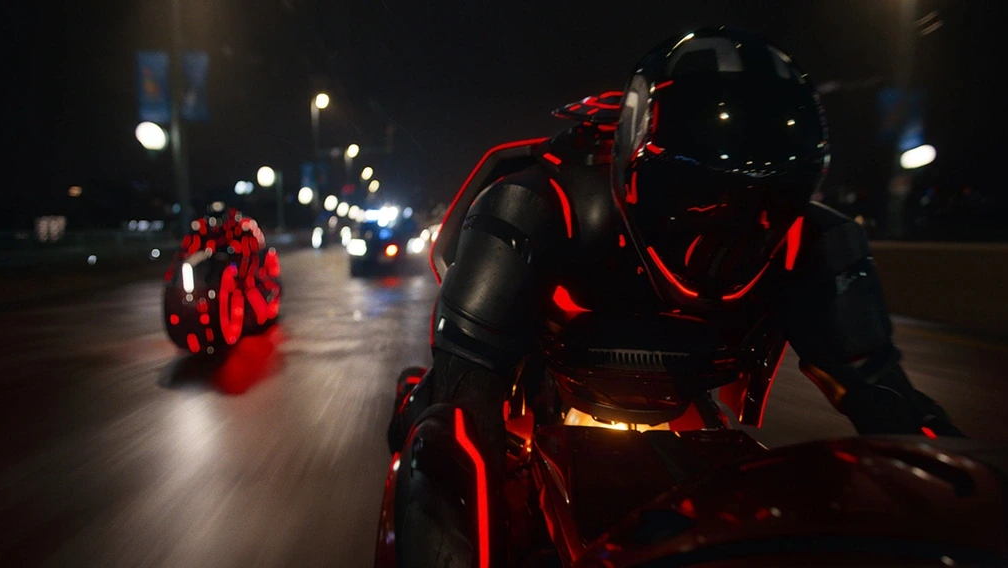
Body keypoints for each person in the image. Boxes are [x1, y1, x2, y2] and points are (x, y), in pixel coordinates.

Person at [388, 27, 963, 567]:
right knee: (436, 442)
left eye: (766, 202)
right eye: (698, 196)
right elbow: (466, 399)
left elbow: (889, 408)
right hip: (546, 375)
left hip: (682, 403)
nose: (727, 231)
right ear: (629, 164)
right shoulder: (538, 206)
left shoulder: (814, 241)